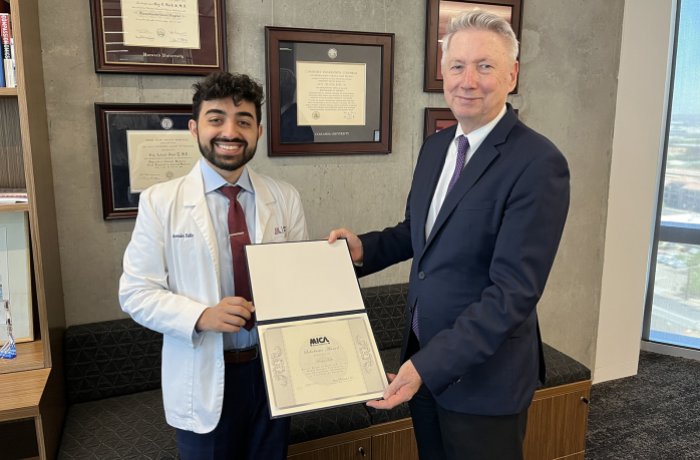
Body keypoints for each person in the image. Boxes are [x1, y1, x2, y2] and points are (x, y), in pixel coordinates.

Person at [329, 10, 570, 460]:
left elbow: (513, 294)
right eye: (457, 65)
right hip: (423, 360)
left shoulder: (538, 163)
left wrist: (426, 366)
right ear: (443, 72)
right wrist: (364, 249)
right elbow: (419, 234)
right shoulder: (438, 146)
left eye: (485, 66)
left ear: (512, 74)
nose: (468, 80)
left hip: (484, 381)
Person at [119, 71, 308, 460]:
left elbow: (297, 287)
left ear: (258, 131)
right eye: (216, 118)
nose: (230, 131)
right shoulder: (160, 202)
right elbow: (135, 293)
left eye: (243, 121)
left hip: (272, 371)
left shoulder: (285, 198)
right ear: (194, 128)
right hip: (204, 370)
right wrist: (201, 315)